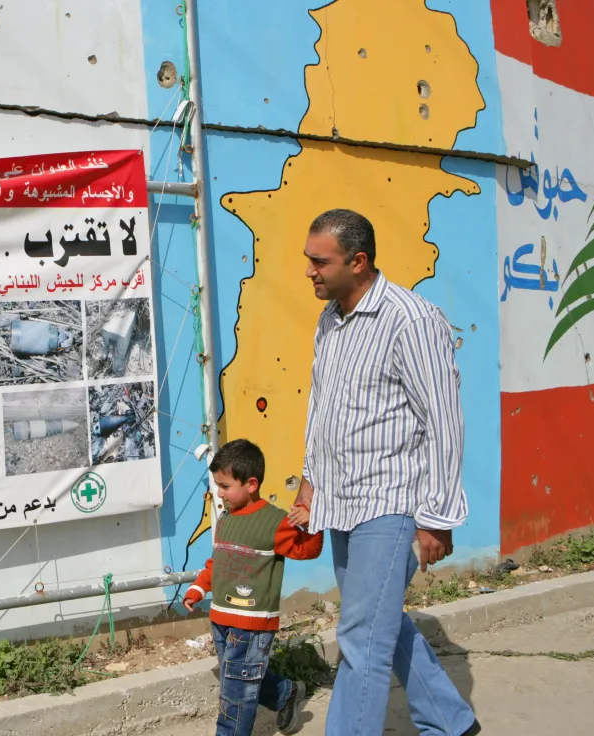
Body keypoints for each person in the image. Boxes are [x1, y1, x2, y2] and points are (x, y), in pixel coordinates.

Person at [293, 209, 481, 736]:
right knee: (377, 623)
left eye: (319, 261)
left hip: (391, 504)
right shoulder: (330, 318)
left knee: (359, 642)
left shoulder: (412, 319)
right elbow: (323, 409)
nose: (309, 271)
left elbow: (444, 422)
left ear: (358, 261)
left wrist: (437, 517)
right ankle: (450, 720)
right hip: (343, 501)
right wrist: (310, 483)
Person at [183, 438, 324, 736]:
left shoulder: (276, 523)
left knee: (235, 695)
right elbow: (217, 562)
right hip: (220, 620)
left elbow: (306, 551)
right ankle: (285, 693)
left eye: (224, 486)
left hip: (252, 626)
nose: (218, 493)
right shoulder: (225, 519)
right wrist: (199, 587)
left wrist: (313, 523)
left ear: (250, 484)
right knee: (239, 679)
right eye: (218, 485)